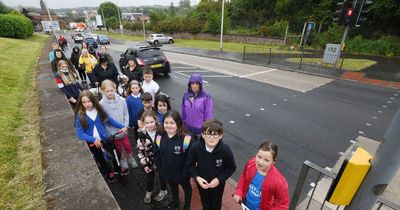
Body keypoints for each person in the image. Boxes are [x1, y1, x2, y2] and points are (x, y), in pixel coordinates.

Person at [74, 90, 128, 183]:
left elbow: (110, 120)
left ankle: (116, 169)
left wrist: (122, 126)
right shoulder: (80, 116)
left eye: (89, 101)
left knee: (115, 154)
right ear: (81, 102)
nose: (87, 104)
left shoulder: (99, 110)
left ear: (93, 101)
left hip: (105, 139)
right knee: (101, 158)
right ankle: (109, 172)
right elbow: (80, 134)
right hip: (94, 143)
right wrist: (93, 139)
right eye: (84, 102)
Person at [187, 119, 236, 210]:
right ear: (202, 135)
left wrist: (219, 179)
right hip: (202, 183)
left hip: (218, 185)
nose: (211, 137)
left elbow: (231, 168)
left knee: (216, 205)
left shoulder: (226, 150)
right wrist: (197, 177)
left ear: (220, 136)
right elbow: (190, 165)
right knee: (205, 204)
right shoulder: (195, 147)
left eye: (215, 134)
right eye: (208, 134)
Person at [154, 110, 193, 210]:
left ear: (178, 123)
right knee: (173, 187)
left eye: (172, 123)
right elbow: (156, 153)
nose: (168, 126)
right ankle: (175, 202)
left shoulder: (186, 138)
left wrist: (184, 173)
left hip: (182, 173)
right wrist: (160, 169)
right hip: (167, 171)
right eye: (166, 123)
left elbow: (190, 159)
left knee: (186, 188)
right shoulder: (159, 135)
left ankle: (187, 205)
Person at [233, 142, 289, 210]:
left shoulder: (279, 182)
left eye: (266, 160)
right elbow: (244, 177)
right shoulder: (251, 163)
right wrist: (239, 192)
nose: (260, 162)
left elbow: (283, 205)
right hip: (245, 205)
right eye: (259, 157)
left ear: (274, 161)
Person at [99, 80, 137, 172]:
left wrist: (125, 126)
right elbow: (104, 120)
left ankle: (131, 158)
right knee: (119, 148)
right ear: (102, 91)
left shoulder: (122, 100)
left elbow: (126, 114)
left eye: (111, 90)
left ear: (115, 89)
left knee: (127, 146)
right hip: (113, 133)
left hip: (123, 131)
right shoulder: (101, 104)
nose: (110, 93)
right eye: (107, 91)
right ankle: (123, 159)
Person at [137, 110, 168, 204]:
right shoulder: (142, 135)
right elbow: (140, 151)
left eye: (151, 122)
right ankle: (148, 192)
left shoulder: (161, 132)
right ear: (143, 123)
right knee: (149, 177)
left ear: (156, 121)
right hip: (149, 162)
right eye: (147, 122)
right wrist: (144, 164)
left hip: (161, 161)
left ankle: (163, 190)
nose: (150, 125)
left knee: (163, 176)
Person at [181, 73, 213, 141]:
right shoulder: (186, 95)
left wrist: (206, 130)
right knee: (188, 148)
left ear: (200, 85)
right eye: (192, 84)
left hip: (200, 131)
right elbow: (183, 111)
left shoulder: (206, 97)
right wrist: (183, 125)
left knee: (199, 150)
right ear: (190, 84)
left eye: (196, 84)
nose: (194, 86)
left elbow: (208, 115)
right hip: (188, 130)